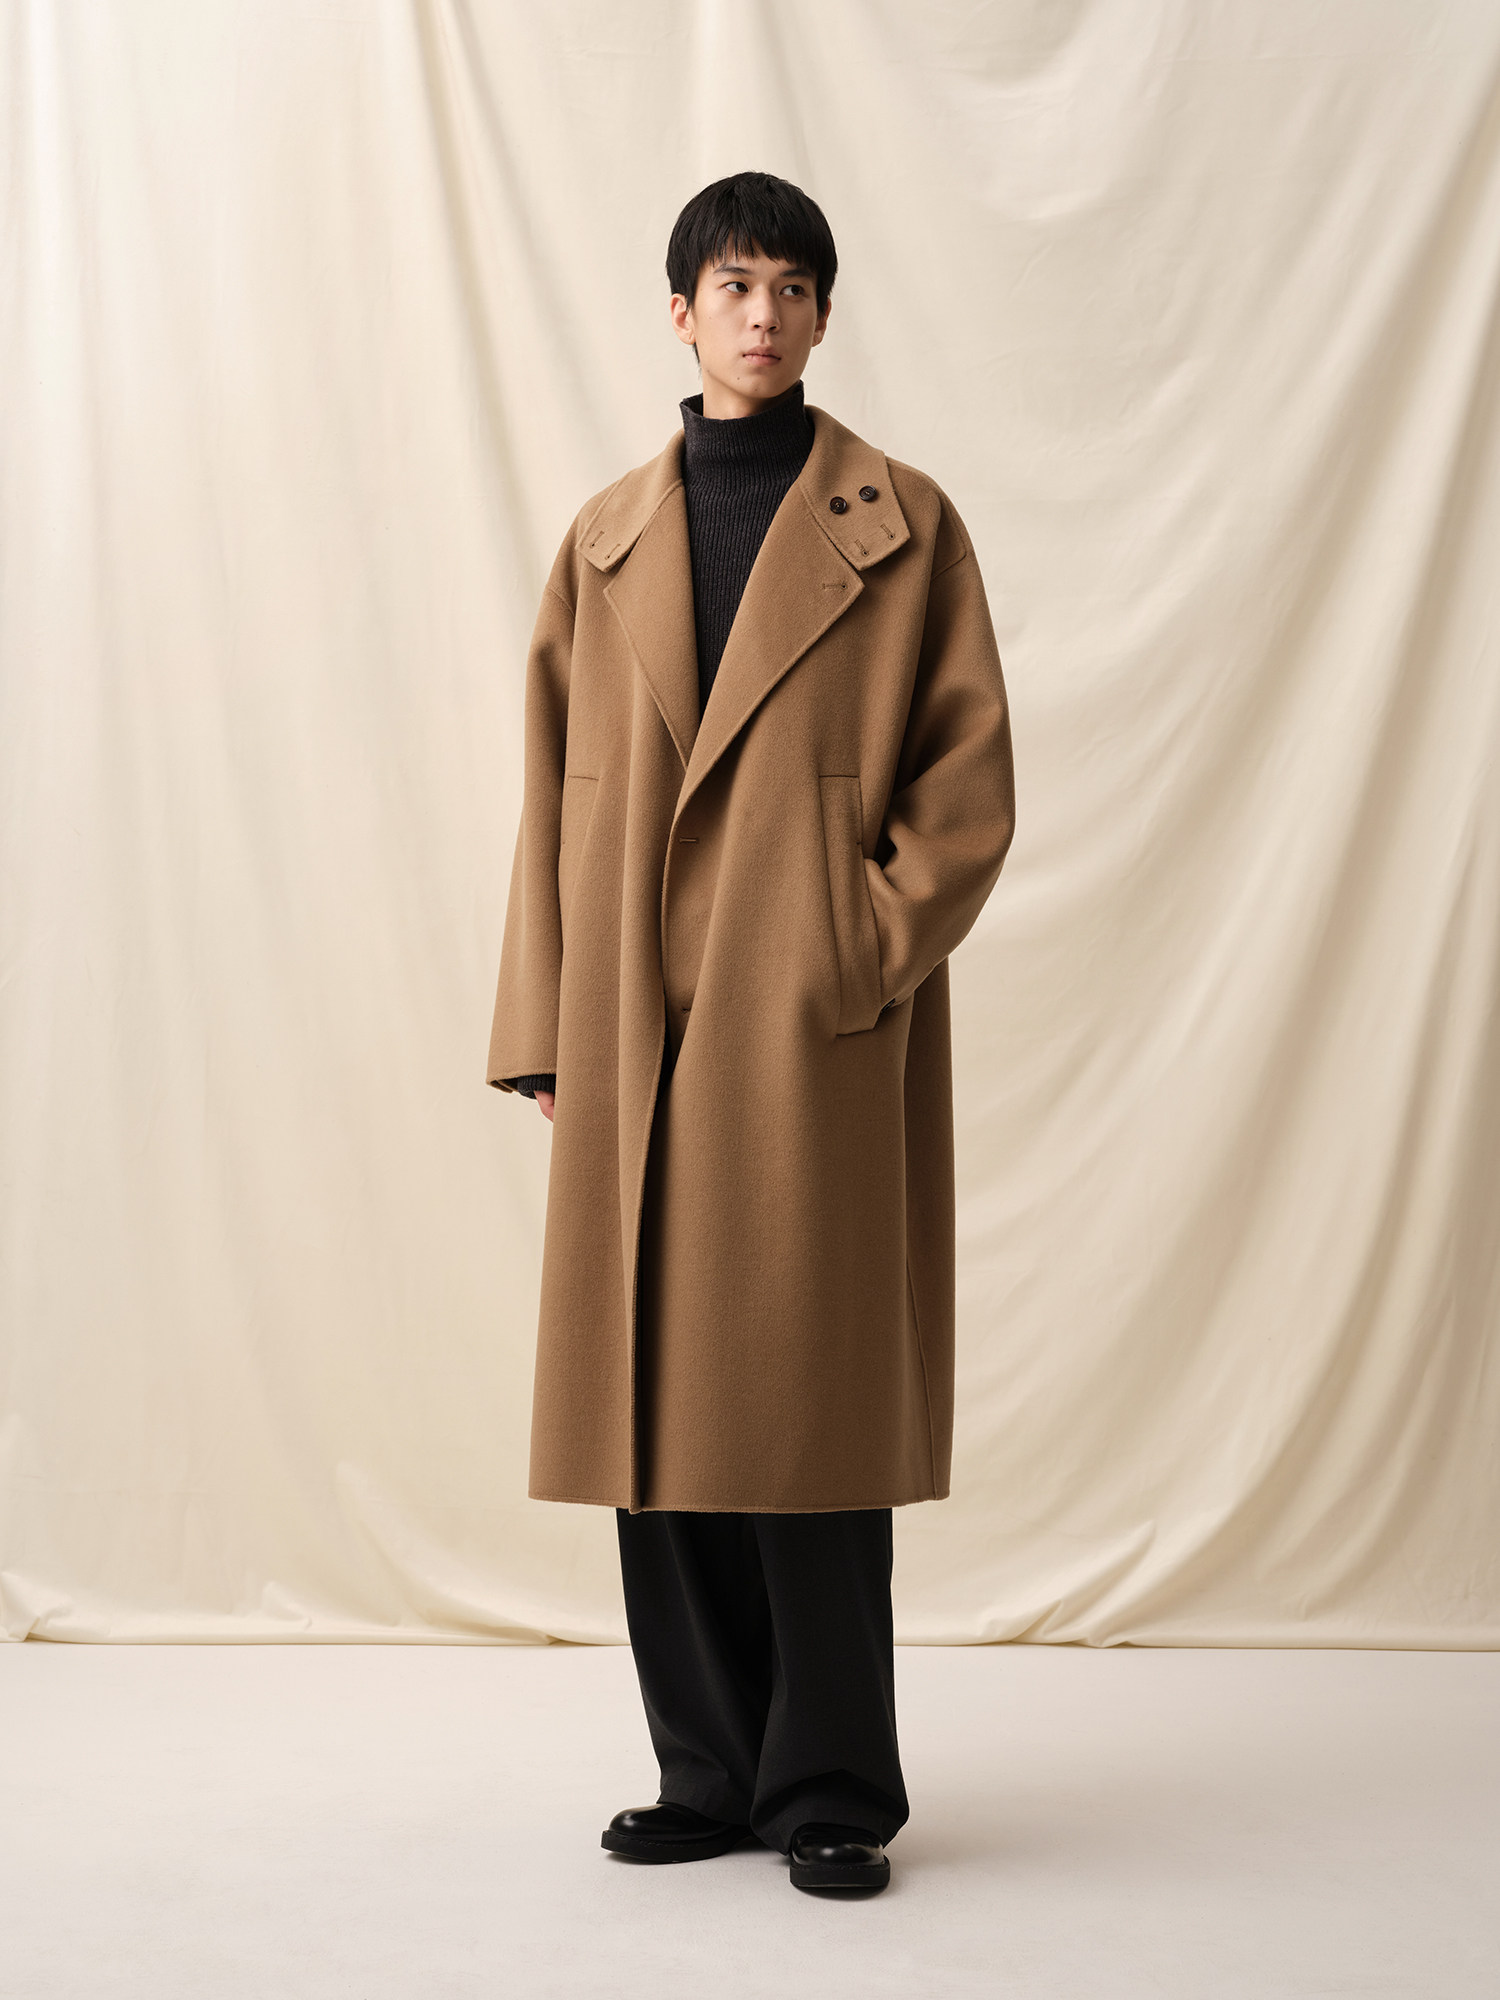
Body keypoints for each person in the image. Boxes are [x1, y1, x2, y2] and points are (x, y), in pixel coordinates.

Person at [486, 170, 1015, 1894]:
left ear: (825, 314)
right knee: (658, 1415)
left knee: (807, 1412)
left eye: (792, 286)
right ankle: (705, 1770)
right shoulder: (606, 539)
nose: (763, 313)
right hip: (633, 1024)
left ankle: (832, 1785)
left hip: (808, 1028)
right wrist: (547, 1027)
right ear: (681, 313)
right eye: (734, 285)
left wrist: (850, 952)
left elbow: (965, 792)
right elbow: (552, 794)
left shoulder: (905, 526)